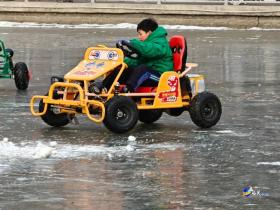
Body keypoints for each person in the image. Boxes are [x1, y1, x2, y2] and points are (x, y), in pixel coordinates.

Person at [120, 18, 173, 92]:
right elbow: (137, 61)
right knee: (123, 69)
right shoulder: (146, 45)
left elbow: (150, 50)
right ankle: (104, 87)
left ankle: (128, 91)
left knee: (143, 70)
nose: (139, 37)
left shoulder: (161, 43)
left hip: (161, 77)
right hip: (150, 73)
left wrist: (134, 43)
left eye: (140, 34)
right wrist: (122, 62)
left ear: (149, 33)